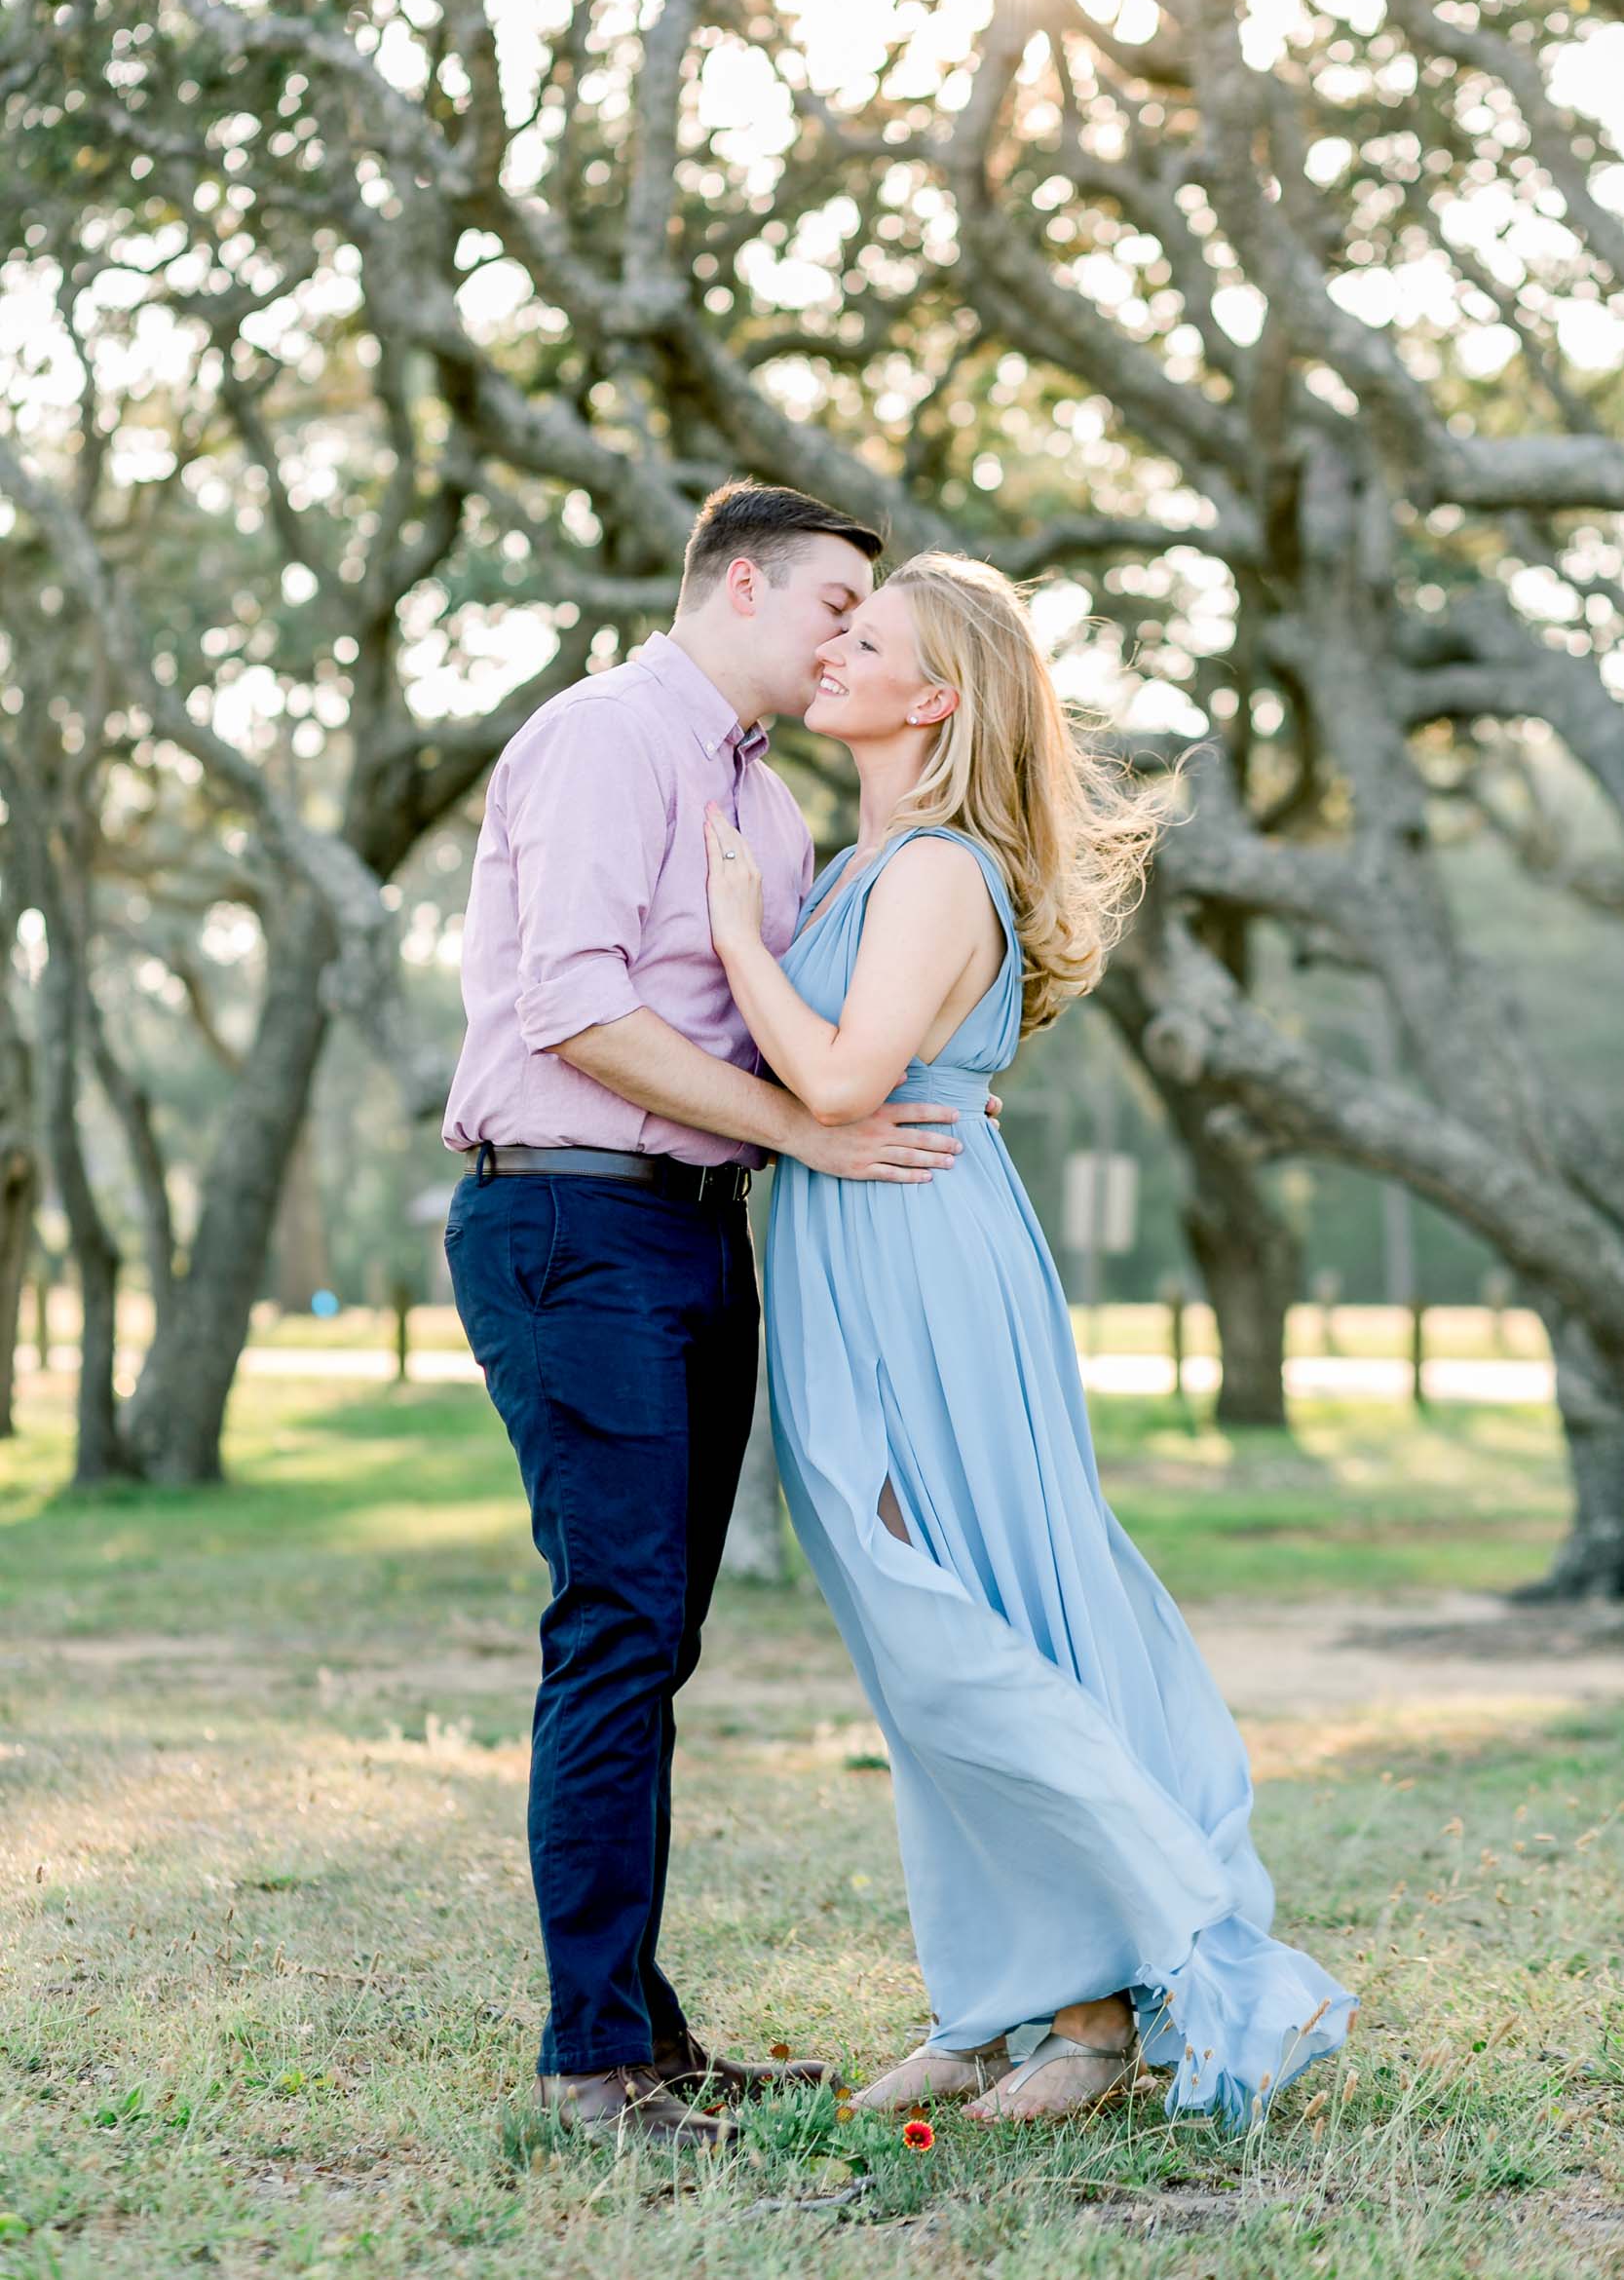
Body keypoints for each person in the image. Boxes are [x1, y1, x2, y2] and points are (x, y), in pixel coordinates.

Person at [701, 550, 1358, 2128]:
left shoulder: (933, 867)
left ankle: (1113, 1994)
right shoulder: (874, 865)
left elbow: (847, 1087)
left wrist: (733, 939)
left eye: (873, 637)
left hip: (923, 1258)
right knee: (911, 1635)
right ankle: (994, 2004)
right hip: (852, 1253)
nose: (837, 648)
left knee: (969, 1623)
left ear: (937, 698)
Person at [439, 482, 988, 2147]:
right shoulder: (608, 738)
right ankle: (590, 2062)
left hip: (696, 1231)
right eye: (835, 606)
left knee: (656, 1634)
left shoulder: (781, 816)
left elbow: (793, 1037)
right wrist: (809, 1128)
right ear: (737, 584)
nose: (846, 641)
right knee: (613, 1625)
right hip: (568, 1213)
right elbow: (580, 1008)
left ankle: (650, 2035)